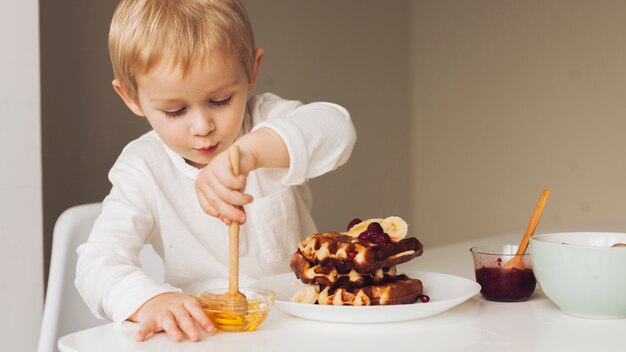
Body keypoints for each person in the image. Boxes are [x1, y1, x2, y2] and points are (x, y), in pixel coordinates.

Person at [75, 0, 356, 343]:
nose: (202, 126)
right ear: (131, 97)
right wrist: (150, 300)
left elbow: (337, 128)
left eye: (221, 100)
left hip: (301, 328)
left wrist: (252, 151)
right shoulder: (143, 168)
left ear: (252, 71)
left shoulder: (265, 122)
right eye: (175, 111)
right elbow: (97, 262)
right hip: (208, 335)